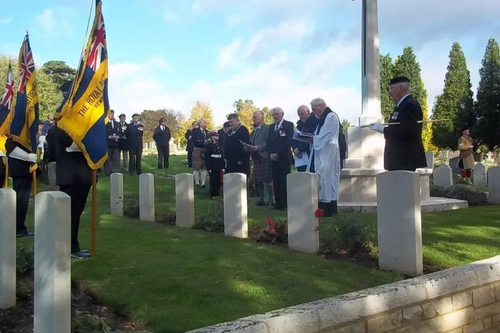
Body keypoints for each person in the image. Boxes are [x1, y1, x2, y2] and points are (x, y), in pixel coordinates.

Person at [53, 123, 94, 259]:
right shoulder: (63, 127)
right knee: (69, 214)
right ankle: (69, 248)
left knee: (75, 214)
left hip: (83, 176)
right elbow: (72, 146)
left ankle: (72, 247)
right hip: (72, 176)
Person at [369, 76, 426, 171]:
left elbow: (408, 132)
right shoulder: (401, 106)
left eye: (391, 88)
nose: (389, 92)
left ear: (400, 88)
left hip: (405, 160)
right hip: (399, 161)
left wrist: (384, 130)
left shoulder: (409, 105)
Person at [306, 98, 341, 217]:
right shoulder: (323, 118)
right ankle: (322, 208)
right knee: (322, 180)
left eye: (314, 109)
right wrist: (314, 137)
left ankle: (329, 209)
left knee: (328, 180)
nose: (314, 112)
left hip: (329, 153)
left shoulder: (331, 117)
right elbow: (320, 135)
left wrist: (315, 138)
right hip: (322, 154)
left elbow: (328, 136)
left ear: (321, 106)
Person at [5, 136, 39, 237]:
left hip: (25, 171)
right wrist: (27, 157)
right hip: (20, 170)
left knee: (23, 201)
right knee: (20, 201)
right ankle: (17, 228)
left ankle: (19, 226)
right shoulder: (14, 135)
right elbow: (10, 147)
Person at [266, 107, 294, 210]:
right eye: (273, 115)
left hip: (284, 158)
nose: (275, 116)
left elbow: (288, 142)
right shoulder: (271, 127)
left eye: (277, 114)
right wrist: (271, 154)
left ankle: (284, 203)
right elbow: (268, 142)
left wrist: (278, 154)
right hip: (273, 159)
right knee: (276, 181)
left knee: (284, 181)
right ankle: (277, 202)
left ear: (282, 114)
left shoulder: (288, 125)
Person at [247, 110, 273, 206]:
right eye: (253, 117)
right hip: (256, 157)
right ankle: (261, 200)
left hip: (264, 156)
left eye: (255, 117)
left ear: (262, 118)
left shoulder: (267, 128)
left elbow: (269, 142)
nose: (253, 119)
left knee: (268, 180)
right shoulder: (255, 130)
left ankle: (271, 200)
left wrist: (259, 147)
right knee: (258, 180)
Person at [293, 105, 319, 172]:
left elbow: (313, 138)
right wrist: (295, 148)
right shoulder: (299, 125)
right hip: (301, 159)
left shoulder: (316, 122)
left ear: (308, 112)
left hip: (312, 156)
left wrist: (300, 149)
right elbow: (294, 138)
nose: (300, 116)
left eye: (302, 114)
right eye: (299, 115)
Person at [204, 130, 225, 198]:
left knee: (219, 179)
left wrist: (223, 166)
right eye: (215, 135)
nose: (217, 137)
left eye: (217, 135)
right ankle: (213, 194)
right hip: (213, 163)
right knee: (213, 180)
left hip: (219, 163)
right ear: (212, 137)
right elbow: (207, 157)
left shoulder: (220, 144)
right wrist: (209, 167)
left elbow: (222, 155)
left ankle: (218, 193)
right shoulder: (209, 145)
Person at [191, 118, 208, 187]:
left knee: (204, 167)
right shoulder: (195, 131)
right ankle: (197, 182)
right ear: (200, 124)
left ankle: (203, 183)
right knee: (196, 166)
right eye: (205, 122)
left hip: (205, 150)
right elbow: (195, 141)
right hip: (197, 149)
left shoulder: (207, 132)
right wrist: (203, 142)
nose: (206, 123)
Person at [104, 110, 121, 176]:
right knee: (108, 159)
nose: (112, 115)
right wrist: (110, 136)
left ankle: (115, 171)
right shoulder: (105, 124)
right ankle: (108, 172)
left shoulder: (117, 124)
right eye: (110, 114)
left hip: (115, 144)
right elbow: (103, 132)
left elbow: (121, 132)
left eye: (112, 114)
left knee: (115, 158)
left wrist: (118, 136)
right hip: (108, 144)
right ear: (107, 115)